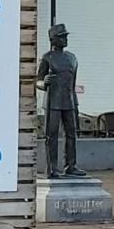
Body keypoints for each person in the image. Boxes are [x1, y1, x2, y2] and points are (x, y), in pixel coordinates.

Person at [36, 23, 87, 178]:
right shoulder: (47, 58)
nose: (65, 39)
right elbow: (37, 81)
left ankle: (71, 165)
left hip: (69, 101)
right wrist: (44, 82)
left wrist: (75, 103)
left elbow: (72, 83)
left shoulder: (72, 58)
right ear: (53, 39)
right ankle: (52, 167)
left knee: (71, 133)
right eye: (62, 37)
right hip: (53, 102)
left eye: (66, 36)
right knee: (51, 135)